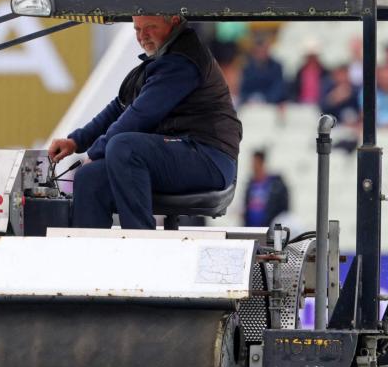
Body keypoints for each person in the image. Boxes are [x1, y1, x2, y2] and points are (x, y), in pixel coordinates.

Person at [48, 15, 243, 229]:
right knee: (89, 177)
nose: (142, 36)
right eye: (137, 29)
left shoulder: (183, 60)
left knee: (124, 147)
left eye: (150, 27)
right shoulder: (161, 60)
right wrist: (76, 141)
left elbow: (140, 116)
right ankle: (90, 256)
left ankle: (141, 245)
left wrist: (95, 152)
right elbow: (119, 107)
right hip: (180, 153)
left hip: (209, 158)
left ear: (174, 20)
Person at [243, 150, 289, 227]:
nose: (253, 165)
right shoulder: (250, 184)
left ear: (262, 162)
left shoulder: (276, 185)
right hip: (251, 228)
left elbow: (284, 208)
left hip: (269, 228)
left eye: (255, 162)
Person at [239, 39, 287, 104]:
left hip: (271, 103)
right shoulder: (247, 68)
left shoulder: (276, 67)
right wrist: (250, 98)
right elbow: (243, 89)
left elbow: (278, 88)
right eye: (258, 52)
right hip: (251, 104)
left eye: (263, 51)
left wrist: (265, 99)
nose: (261, 54)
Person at [291, 38, 330, 104]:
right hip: (302, 105)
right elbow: (295, 91)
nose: (311, 59)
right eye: (309, 57)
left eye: (313, 56)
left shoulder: (325, 72)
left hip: (320, 105)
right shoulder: (300, 72)